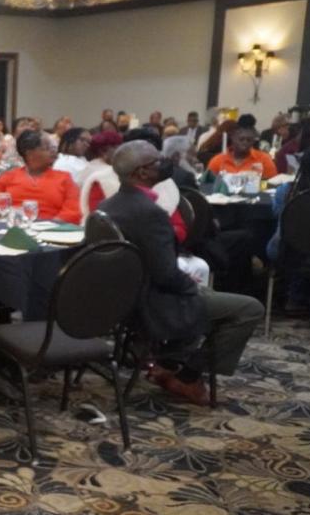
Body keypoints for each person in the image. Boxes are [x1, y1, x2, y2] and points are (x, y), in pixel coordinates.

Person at [99, 142, 264, 405]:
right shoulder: (150, 213)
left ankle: (169, 362)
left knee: (207, 294)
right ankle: (189, 375)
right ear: (142, 172)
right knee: (249, 308)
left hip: (123, 298)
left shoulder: (108, 205)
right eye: (158, 161)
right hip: (154, 300)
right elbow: (166, 275)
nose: (165, 163)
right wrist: (191, 288)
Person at [266, 144, 310, 312]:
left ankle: (294, 297)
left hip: (286, 250)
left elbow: (276, 213)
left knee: (301, 244)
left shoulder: (286, 191)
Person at [0, 130, 82, 224]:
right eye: (47, 148)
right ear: (29, 153)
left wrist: (49, 227)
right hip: (12, 227)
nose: (53, 151)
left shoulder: (64, 178)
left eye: (53, 147)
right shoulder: (9, 177)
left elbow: (73, 211)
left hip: (52, 231)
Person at [207, 125, 278, 179]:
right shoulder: (218, 160)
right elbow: (207, 183)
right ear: (233, 139)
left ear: (253, 142)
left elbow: (272, 184)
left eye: (249, 140)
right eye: (241, 139)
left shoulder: (264, 159)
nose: (245, 142)